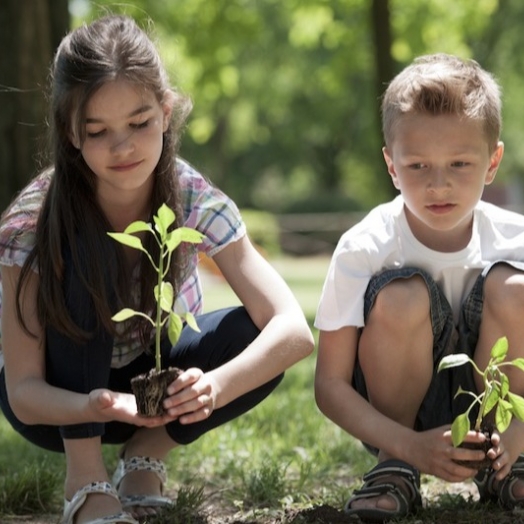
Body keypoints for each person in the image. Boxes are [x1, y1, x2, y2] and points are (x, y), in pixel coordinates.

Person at [0, 14, 314, 524]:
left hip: (157, 389)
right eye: (98, 130)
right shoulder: (31, 222)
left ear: (166, 113)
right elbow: (23, 394)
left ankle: (147, 452)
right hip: (62, 403)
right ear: (70, 133)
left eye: (140, 123)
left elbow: (293, 330)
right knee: (85, 252)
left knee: (255, 336)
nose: (122, 147)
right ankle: (85, 476)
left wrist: (216, 386)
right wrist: (94, 406)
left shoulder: (191, 196)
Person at [314, 53, 524, 522]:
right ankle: (397, 467)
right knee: (402, 296)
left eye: (460, 163)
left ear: (493, 162)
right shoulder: (364, 246)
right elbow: (329, 384)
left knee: (516, 289)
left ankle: (508, 462)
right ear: (391, 164)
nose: (439, 184)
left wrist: (522, 428)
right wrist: (405, 443)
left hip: (501, 411)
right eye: (418, 166)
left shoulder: (517, 239)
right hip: (396, 421)